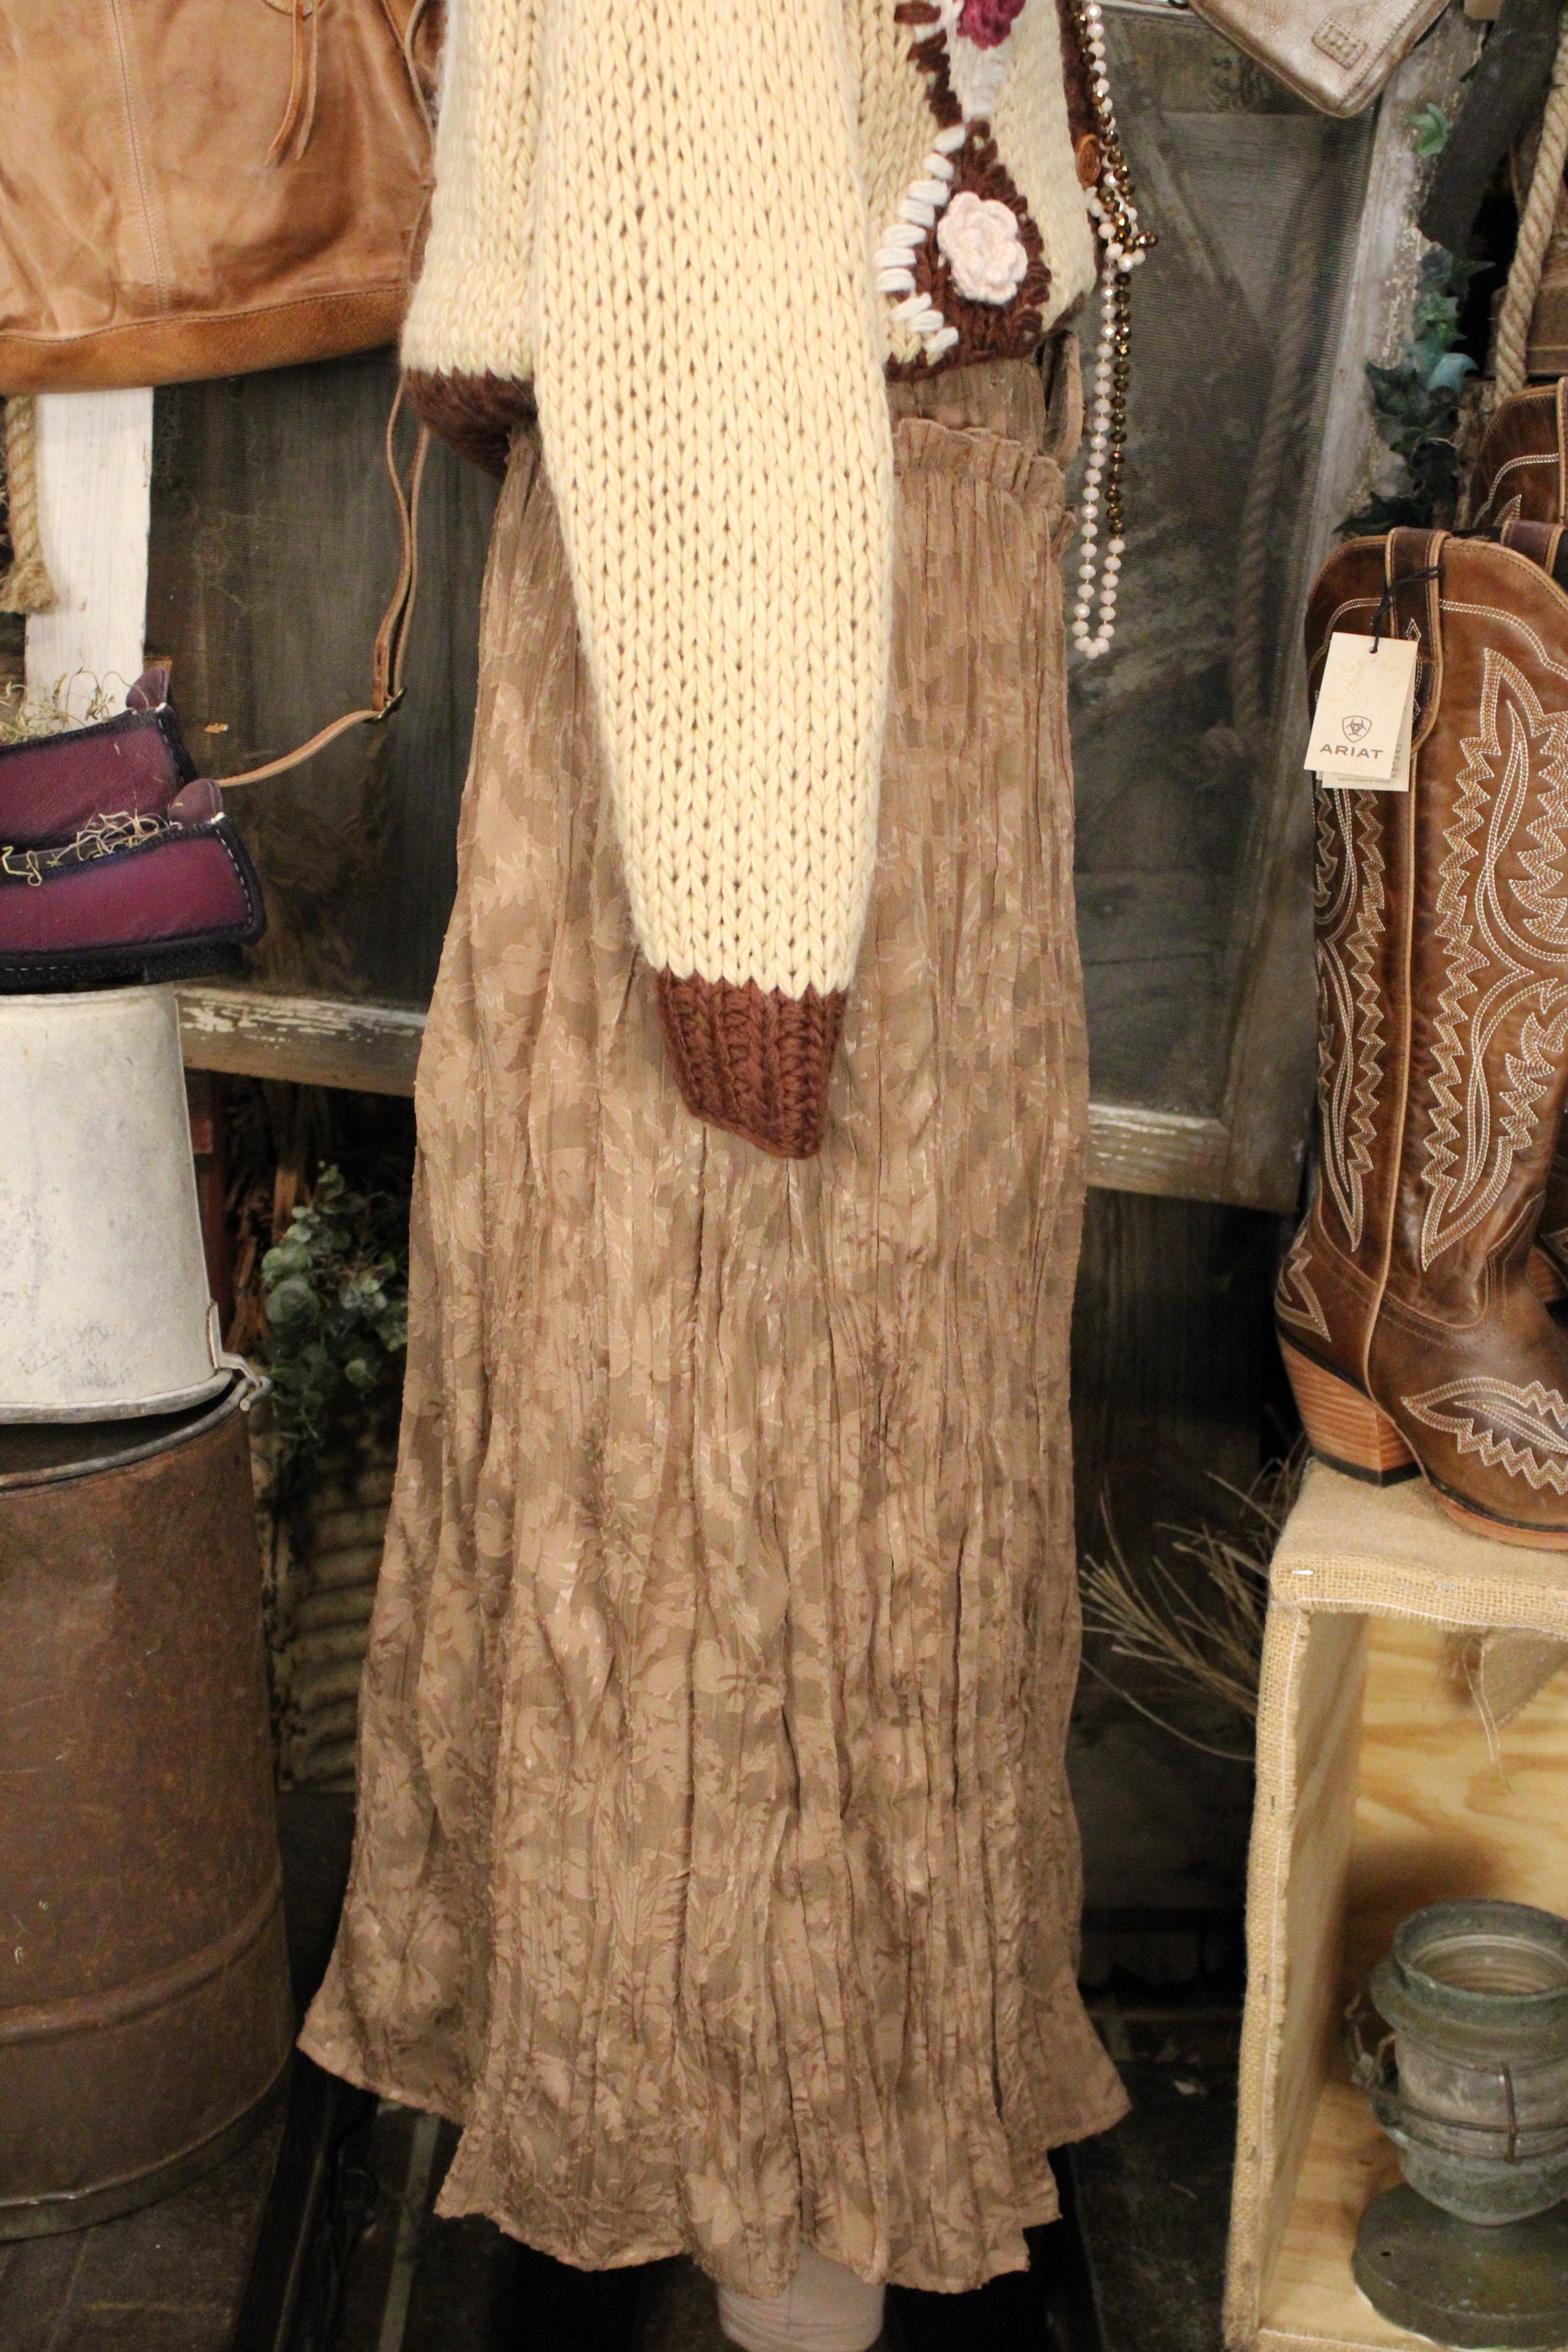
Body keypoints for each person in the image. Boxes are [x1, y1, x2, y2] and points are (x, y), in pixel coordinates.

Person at [301, 0, 1134, 2340]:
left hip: (820, 628)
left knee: (760, 1439)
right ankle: (777, 2198)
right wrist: (749, 939)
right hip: (780, 680)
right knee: (762, 1436)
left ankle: (747, 2165)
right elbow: (700, 299)